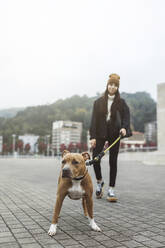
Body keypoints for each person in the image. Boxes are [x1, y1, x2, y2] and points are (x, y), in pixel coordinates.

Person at [89, 73, 132, 202]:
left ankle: (111, 189)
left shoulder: (121, 102)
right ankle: (99, 182)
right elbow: (93, 120)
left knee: (113, 162)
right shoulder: (98, 102)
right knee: (95, 158)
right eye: (110, 84)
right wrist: (92, 137)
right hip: (100, 133)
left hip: (114, 133)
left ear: (117, 87)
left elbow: (126, 117)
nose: (112, 87)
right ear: (107, 85)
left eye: (115, 85)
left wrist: (124, 127)